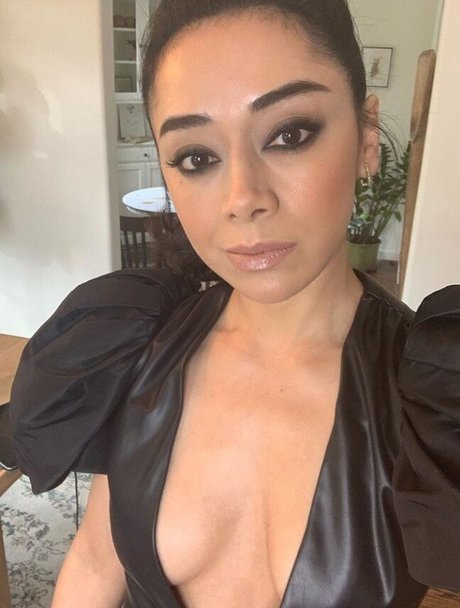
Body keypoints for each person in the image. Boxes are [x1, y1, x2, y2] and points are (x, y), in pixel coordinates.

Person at [9, 0, 460, 607]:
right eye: (197, 158)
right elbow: (95, 563)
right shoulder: (136, 347)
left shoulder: (435, 401)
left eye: (290, 134)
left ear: (367, 138)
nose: (243, 198)